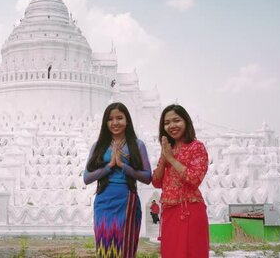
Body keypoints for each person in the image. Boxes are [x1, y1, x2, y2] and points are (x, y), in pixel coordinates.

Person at [84, 102, 152, 258]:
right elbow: (87, 178)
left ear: (127, 120)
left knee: (126, 249)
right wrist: (109, 166)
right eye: (110, 119)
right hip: (104, 202)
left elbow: (148, 177)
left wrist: (123, 166)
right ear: (105, 123)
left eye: (120, 118)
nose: (115, 123)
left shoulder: (137, 145)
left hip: (127, 201)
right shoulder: (99, 146)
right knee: (105, 249)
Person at [152, 104, 209, 258]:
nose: (171, 126)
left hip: (190, 210)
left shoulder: (196, 147)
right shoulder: (168, 148)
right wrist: (164, 158)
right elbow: (156, 182)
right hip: (169, 212)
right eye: (167, 122)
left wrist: (171, 158)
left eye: (176, 120)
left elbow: (194, 178)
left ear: (186, 122)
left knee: (192, 253)